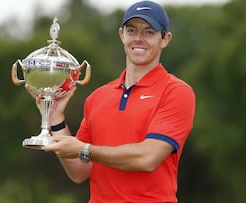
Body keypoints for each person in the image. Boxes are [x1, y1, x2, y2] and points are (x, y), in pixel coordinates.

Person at [38, 1, 196, 202]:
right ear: (122, 34)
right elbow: (79, 171)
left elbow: (147, 158)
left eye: (149, 32)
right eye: (132, 30)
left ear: (165, 39)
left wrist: (84, 150)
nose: (138, 39)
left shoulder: (176, 92)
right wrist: (56, 120)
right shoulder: (98, 97)